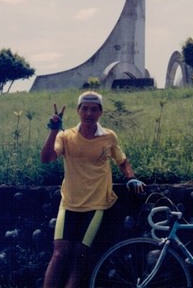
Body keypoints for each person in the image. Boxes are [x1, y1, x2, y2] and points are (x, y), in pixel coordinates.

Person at [40, 91, 145, 288]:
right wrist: (54, 129)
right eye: (85, 109)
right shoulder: (66, 136)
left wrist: (131, 178)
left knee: (80, 254)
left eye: (94, 109)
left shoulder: (108, 136)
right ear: (78, 111)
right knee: (59, 253)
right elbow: (46, 158)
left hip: (96, 203)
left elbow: (122, 161)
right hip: (69, 203)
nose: (89, 113)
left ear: (100, 113)